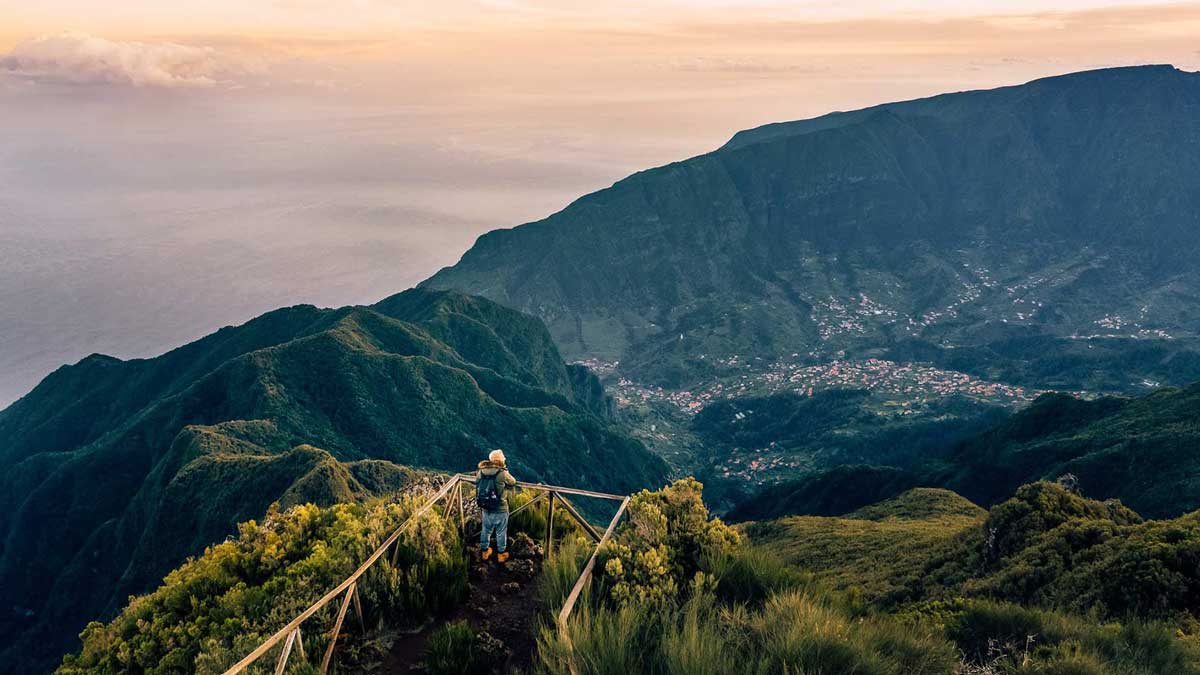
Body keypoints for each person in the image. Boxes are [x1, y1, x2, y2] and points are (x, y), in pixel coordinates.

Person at [476, 448, 518, 562]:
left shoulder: (481, 471)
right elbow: (513, 482)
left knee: (486, 530)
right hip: (500, 508)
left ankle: (485, 552)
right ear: (500, 460)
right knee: (501, 532)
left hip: (485, 506)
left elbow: (477, 483)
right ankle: (501, 554)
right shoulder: (502, 473)